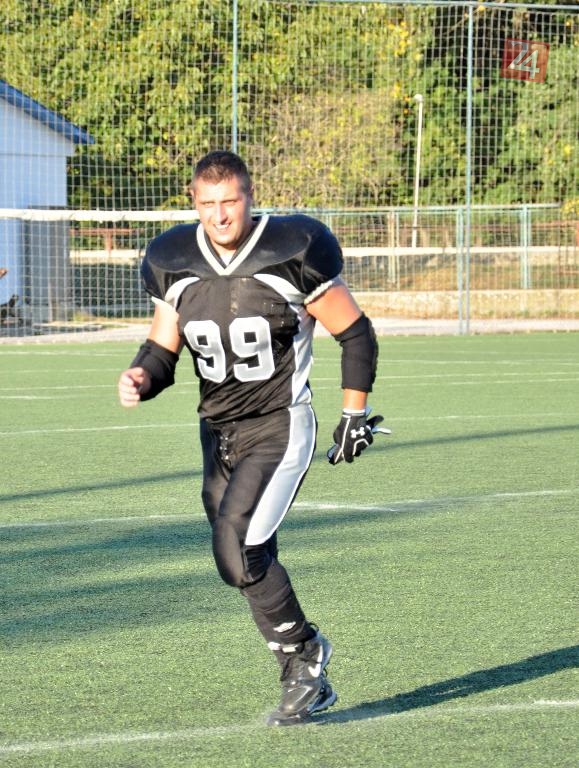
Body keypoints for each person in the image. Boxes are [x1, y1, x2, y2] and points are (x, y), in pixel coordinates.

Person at [118, 150, 385, 726]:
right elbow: (163, 348)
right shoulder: (172, 260)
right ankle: (302, 668)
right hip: (217, 431)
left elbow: (356, 333)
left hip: (278, 423)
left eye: (230, 201)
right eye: (208, 203)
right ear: (193, 202)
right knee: (242, 556)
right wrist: (141, 374)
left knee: (237, 549)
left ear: (249, 196)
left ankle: (305, 657)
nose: (220, 215)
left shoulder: (290, 251)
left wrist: (354, 412)